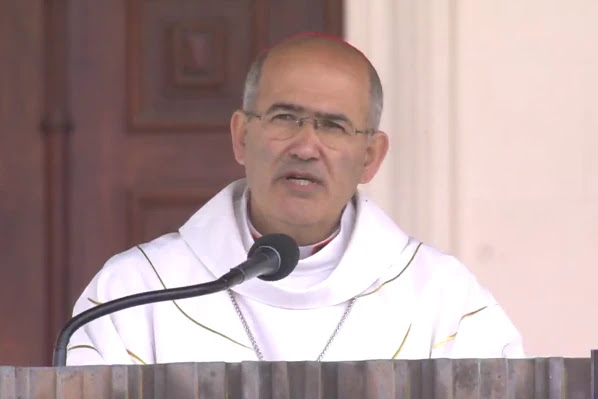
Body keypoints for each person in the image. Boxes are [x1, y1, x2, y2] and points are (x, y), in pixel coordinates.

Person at [66, 34, 523, 365]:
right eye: (285, 117)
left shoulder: (443, 302)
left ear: (370, 157)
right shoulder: (135, 294)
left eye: (333, 126)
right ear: (242, 137)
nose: (305, 146)